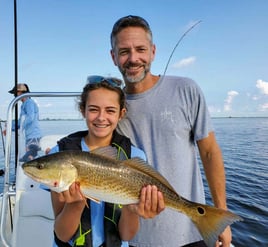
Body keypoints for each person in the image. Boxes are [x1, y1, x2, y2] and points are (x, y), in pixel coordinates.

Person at [110, 15, 232, 247]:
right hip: (137, 237)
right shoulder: (113, 107)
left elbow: (209, 152)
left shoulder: (186, 89)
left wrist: (220, 213)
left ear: (153, 52)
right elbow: (96, 145)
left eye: (141, 49)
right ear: (113, 56)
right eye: (124, 51)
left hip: (192, 232)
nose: (133, 58)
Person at [48, 76, 163, 247]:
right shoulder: (61, 156)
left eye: (110, 110)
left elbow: (126, 234)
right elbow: (63, 235)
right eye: (93, 109)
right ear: (83, 110)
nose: (101, 117)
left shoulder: (134, 156)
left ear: (121, 113)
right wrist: (76, 205)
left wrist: (131, 210)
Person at [7, 83, 42, 162]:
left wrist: (18, 126)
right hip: (29, 136)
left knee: (30, 156)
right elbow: (21, 121)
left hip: (33, 136)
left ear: (20, 92)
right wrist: (10, 126)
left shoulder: (29, 102)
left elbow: (30, 118)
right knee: (29, 156)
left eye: (15, 93)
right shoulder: (24, 104)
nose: (14, 96)